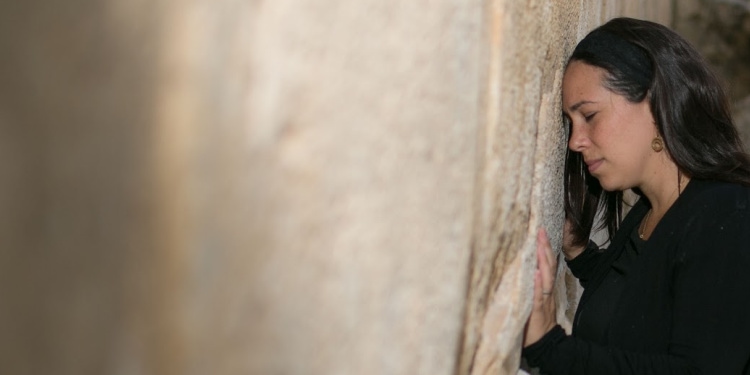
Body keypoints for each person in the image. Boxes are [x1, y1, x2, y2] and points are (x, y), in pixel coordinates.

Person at [522, 17, 750, 374]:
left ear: (655, 104)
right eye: (571, 123)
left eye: (590, 116)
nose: (575, 141)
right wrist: (580, 254)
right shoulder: (653, 209)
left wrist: (551, 348)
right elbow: (652, 302)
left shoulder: (727, 214)